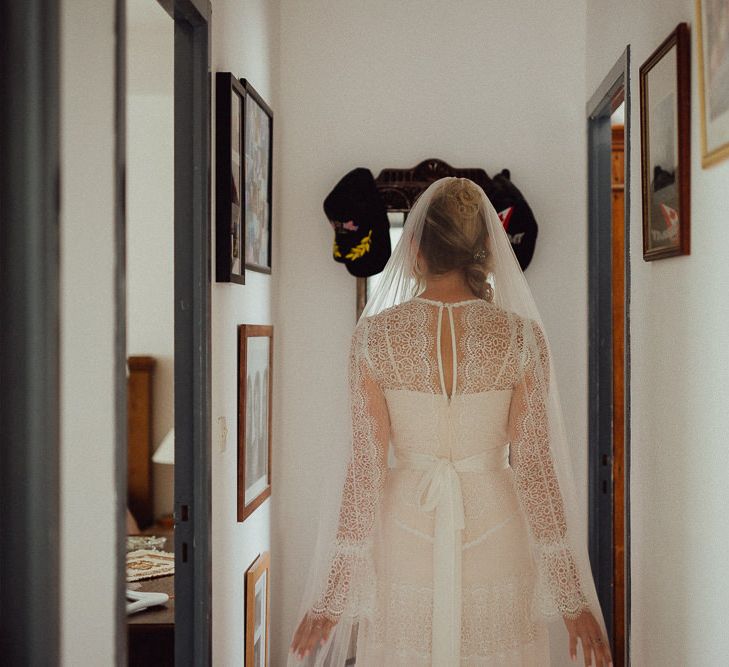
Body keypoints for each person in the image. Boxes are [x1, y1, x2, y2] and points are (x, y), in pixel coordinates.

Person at [288, 177, 613, 666]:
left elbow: (363, 472)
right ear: (485, 246)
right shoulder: (521, 337)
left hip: (404, 532)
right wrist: (573, 601)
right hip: (496, 530)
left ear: (414, 246)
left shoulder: (373, 337)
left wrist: (331, 599)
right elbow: (537, 472)